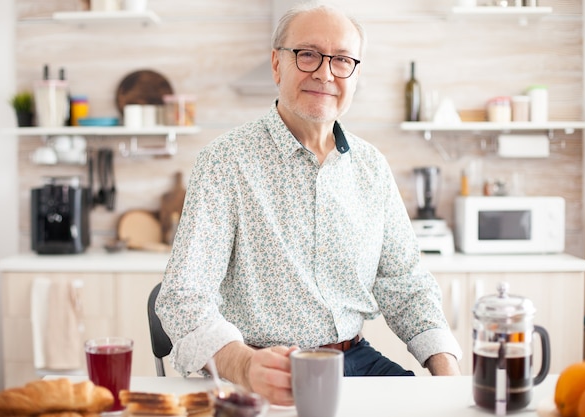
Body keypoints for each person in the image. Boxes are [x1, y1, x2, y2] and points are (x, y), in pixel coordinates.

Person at [156, 0, 462, 407]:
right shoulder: (225, 162)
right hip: (259, 366)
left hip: (355, 360)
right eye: (308, 55)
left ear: (355, 74)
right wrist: (244, 364)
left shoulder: (371, 167)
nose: (324, 73)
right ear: (276, 64)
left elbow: (406, 284)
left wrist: (451, 379)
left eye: (342, 60)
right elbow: (183, 298)